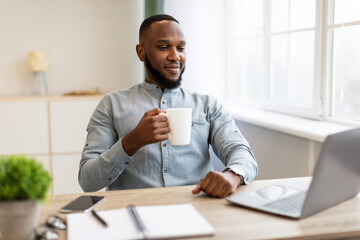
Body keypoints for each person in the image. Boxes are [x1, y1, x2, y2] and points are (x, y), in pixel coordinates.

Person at [79, 14, 258, 198]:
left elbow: (241, 153)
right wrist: (132, 142)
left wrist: (233, 175)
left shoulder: (208, 106)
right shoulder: (111, 105)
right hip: (134, 212)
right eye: (163, 47)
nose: (175, 56)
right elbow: (87, 181)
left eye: (181, 48)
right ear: (141, 52)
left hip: (196, 209)